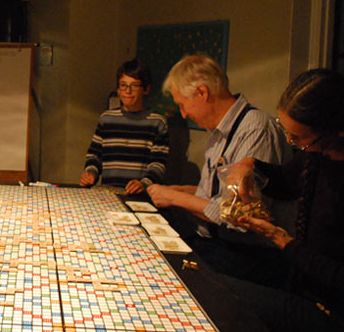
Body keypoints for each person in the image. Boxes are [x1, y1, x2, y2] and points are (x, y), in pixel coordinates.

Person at [219, 69, 344, 332]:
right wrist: (248, 166)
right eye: (285, 132)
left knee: (223, 299)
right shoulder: (318, 155)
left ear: (334, 130)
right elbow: (288, 182)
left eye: (297, 138)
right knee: (211, 285)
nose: (290, 142)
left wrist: (283, 241)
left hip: (333, 317)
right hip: (300, 288)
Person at [146, 55, 293, 281]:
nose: (184, 114)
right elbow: (214, 195)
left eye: (182, 105)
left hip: (245, 256)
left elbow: (238, 215)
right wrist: (181, 191)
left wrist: (174, 198)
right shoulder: (218, 132)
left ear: (202, 92)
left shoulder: (255, 130)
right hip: (215, 245)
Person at [80, 59, 169, 194]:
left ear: (146, 89)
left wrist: (144, 183)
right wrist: (90, 172)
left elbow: (158, 164)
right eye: (123, 85)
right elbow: (94, 155)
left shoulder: (157, 122)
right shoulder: (107, 118)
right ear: (118, 89)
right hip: (108, 194)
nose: (128, 91)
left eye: (134, 85)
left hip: (139, 197)